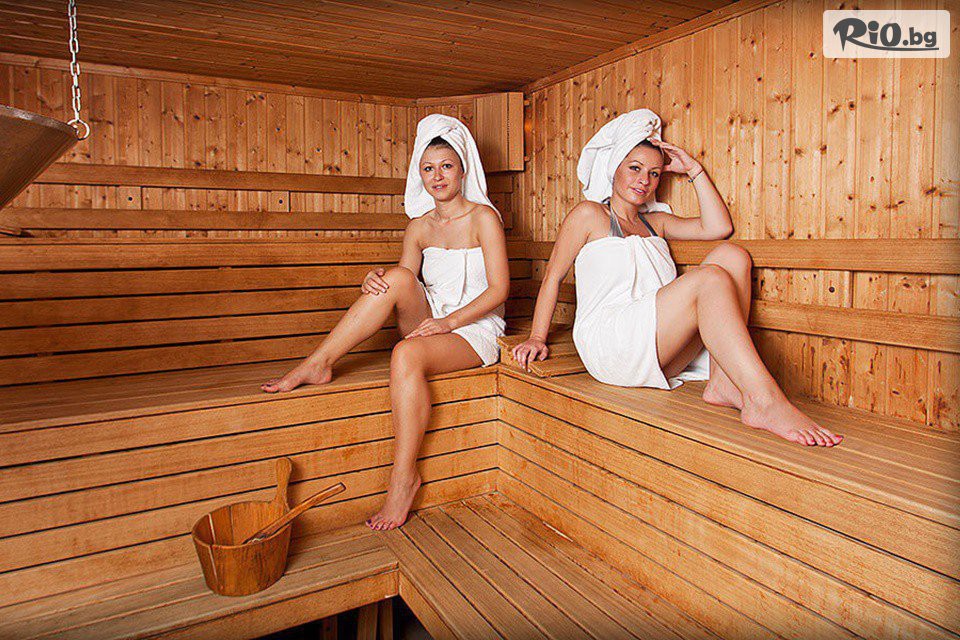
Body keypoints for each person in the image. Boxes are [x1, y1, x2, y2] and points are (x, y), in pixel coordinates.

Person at [511, 109, 842, 447]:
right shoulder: (589, 215)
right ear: (614, 167)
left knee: (732, 256)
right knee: (710, 277)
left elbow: (718, 227)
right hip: (611, 344)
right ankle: (766, 401)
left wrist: (695, 170)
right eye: (635, 168)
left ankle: (724, 381)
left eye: (654, 173)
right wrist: (537, 337)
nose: (644, 180)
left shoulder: (657, 222)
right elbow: (553, 278)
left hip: (657, 342)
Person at [262, 114, 510, 528]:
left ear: (463, 169)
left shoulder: (483, 218)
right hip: (430, 320)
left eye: (446, 166)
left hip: (472, 328)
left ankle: (403, 477)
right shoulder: (418, 227)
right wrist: (372, 281)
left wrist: (449, 323)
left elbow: (499, 290)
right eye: (428, 168)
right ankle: (318, 362)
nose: (437, 176)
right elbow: (405, 284)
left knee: (405, 354)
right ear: (419, 175)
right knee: (394, 277)